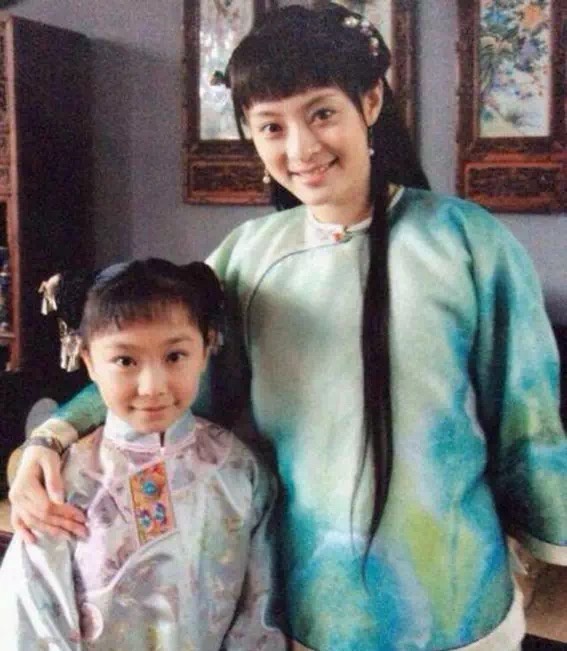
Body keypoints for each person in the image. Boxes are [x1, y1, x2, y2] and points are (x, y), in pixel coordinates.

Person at [8, 4, 567, 650]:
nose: (300, 149)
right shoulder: (248, 258)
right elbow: (159, 370)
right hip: (304, 600)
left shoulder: (468, 242)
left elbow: (526, 421)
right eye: (271, 126)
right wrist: (51, 438)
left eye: (321, 113)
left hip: (454, 597)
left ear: (370, 100)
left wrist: (550, 545)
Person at [0, 259, 285, 650]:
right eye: (125, 361)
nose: (152, 386)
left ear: (205, 349)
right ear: (89, 361)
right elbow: (32, 614)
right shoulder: (63, 481)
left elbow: (259, 611)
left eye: (175, 356)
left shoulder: (240, 470)